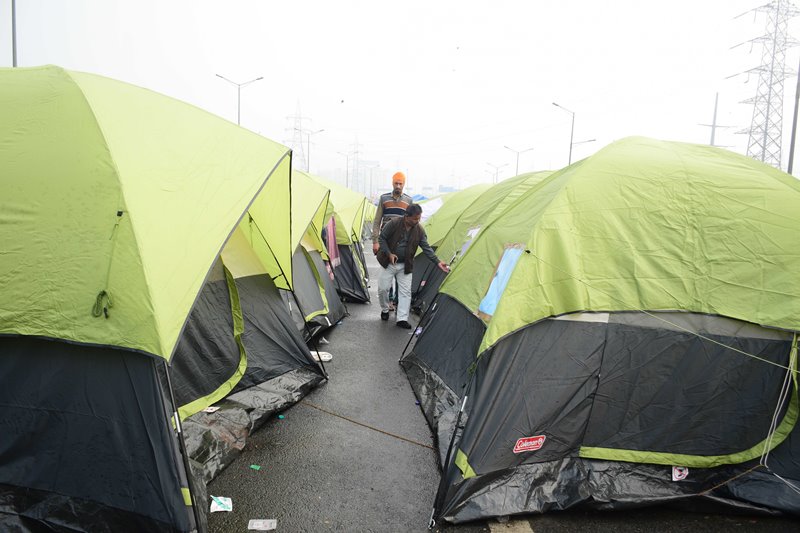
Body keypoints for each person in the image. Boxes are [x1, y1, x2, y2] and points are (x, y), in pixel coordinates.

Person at [376, 204, 448, 329]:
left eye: (419, 218)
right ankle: (385, 309)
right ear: (406, 216)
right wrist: (389, 254)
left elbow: (426, 248)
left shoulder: (419, 230)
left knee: (405, 292)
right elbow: (382, 238)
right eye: (415, 219)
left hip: (406, 265)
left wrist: (437, 262)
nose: (418, 221)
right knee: (383, 288)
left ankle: (402, 319)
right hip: (388, 263)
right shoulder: (393, 223)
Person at [372, 171, 413, 255]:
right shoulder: (384, 198)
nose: (398, 186)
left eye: (400, 184)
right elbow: (377, 221)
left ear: (404, 184)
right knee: (385, 264)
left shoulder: (408, 201)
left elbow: (411, 223)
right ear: (392, 183)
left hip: (401, 241)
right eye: (396, 183)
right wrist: (375, 241)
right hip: (385, 239)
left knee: (399, 265)